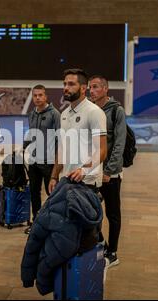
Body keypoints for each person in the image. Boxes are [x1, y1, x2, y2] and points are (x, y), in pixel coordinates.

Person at [48, 68, 107, 248]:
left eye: (71, 84)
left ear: (83, 88)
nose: (66, 87)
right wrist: (54, 175)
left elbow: (102, 149)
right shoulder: (64, 114)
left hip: (87, 181)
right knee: (72, 231)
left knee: (88, 233)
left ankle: (98, 260)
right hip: (67, 181)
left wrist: (84, 169)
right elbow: (62, 148)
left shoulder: (94, 112)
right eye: (65, 84)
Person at [88, 75, 126, 268]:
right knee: (90, 211)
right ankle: (102, 245)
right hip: (93, 171)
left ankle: (113, 253)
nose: (91, 91)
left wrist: (109, 171)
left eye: (95, 87)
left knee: (112, 213)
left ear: (105, 89)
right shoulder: (92, 111)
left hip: (110, 174)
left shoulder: (117, 111)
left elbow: (119, 144)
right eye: (89, 87)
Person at [23, 85, 61, 234]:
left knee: (52, 194)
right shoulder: (32, 114)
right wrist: (24, 146)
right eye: (35, 95)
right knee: (34, 192)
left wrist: (58, 162)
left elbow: (60, 139)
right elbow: (31, 133)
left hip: (49, 162)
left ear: (46, 97)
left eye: (40, 95)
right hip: (34, 162)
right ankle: (36, 222)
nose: (37, 98)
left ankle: (54, 225)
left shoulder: (54, 114)